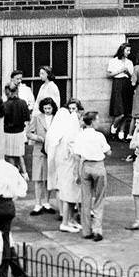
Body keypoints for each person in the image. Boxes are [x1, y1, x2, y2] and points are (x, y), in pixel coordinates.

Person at [73, 110, 111, 241]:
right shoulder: (99, 136)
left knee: (86, 199)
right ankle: (97, 229)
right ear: (93, 121)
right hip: (98, 166)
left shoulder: (80, 135)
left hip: (85, 165)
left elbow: (76, 155)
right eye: (97, 120)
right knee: (99, 198)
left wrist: (77, 172)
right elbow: (108, 151)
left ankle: (86, 230)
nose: (99, 122)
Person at [47, 100, 83, 233]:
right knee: (68, 196)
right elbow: (74, 151)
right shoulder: (68, 135)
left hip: (66, 167)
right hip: (69, 168)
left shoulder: (60, 135)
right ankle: (65, 222)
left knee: (72, 195)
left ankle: (71, 220)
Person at [27, 97, 56, 216]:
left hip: (52, 150)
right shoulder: (37, 117)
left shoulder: (57, 118)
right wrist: (38, 138)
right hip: (39, 149)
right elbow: (28, 133)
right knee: (38, 178)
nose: (47, 110)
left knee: (49, 177)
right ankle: (37, 203)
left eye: (49, 108)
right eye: (45, 108)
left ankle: (47, 202)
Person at [1, 87, 31, 177]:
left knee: (10, 156)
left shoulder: (4, 105)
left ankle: (14, 175)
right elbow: (27, 118)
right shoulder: (23, 103)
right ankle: (24, 174)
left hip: (7, 133)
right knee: (20, 155)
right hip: (20, 132)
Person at [108, 42, 135, 140]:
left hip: (127, 84)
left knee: (126, 112)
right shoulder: (114, 61)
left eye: (129, 50)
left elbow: (132, 76)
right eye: (127, 50)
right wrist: (120, 70)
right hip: (118, 84)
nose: (129, 52)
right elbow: (109, 74)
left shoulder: (129, 62)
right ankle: (113, 129)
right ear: (122, 50)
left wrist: (127, 71)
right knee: (120, 113)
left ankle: (121, 133)